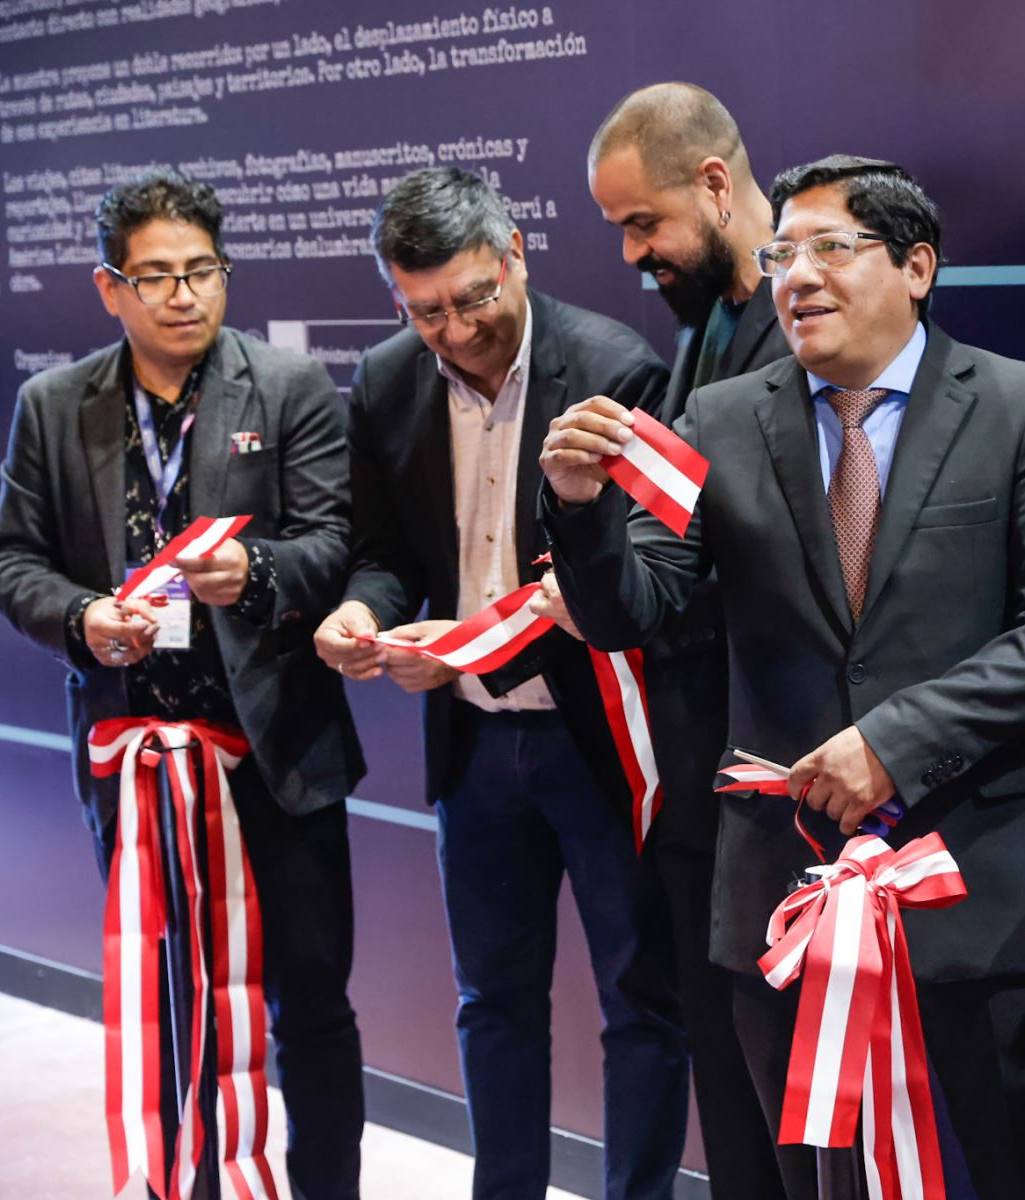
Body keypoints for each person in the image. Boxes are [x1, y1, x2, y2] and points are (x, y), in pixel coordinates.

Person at [538, 155, 1025, 1199]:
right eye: (781, 254)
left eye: (830, 249)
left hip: (980, 884)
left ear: (917, 267)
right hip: (785, 888)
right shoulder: (719, 418)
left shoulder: (1021, 406)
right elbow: (634, 611)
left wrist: (894, 743)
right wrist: (579, 511)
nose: (796, 276)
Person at [0, 171, 365, 1199]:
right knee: (168, 1003)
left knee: (311, 1005)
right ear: (110, 288)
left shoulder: (286, 386)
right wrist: (82, 619)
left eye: (202, 270)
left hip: (274, 754)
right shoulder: (54, 407)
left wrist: (258, 573)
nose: (183, 295)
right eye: (155, 276)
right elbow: (12, 561)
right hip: (136, 757)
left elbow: (334, 541)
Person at [310, 167, 686, 1200]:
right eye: (425, 311)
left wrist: (473, 644)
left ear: (516, 253)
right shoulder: (389, 378)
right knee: (493, 1001)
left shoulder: (615, 371)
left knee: (642, 1001)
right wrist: (364, 613)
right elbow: (386, 552)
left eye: (473, 297)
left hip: (599, 739)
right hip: (474, 748)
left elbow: (627, 585)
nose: (457, 330)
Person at [571, 81, 791, 1198]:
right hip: (699, 778)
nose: (629, 254)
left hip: (788, 772)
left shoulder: (809, 332)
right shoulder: (699, 327)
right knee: (729, 1084)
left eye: (641, 223)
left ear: (714, 184)